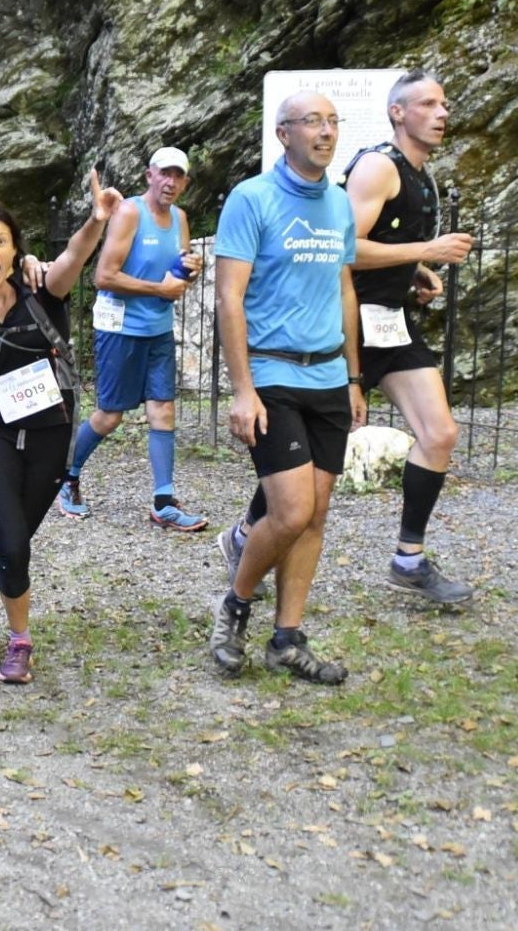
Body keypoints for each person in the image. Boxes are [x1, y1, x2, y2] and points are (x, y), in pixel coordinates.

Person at [207, 93, 365, 685]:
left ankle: (287, 638)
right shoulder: (252, 199)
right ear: (283, 133)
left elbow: (343, 288)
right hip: (273, 374)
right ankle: (235, 606)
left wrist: (353, 376)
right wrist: (242, 389)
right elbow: (229, 297)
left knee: (315, 515)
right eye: (312, 123)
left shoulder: (340, 202)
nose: (325, 133)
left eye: (331, 122)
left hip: (327, 374)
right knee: (291, 509)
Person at [0, 178, 111, 683]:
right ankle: (20, 641)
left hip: (51, 434)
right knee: (13, 542)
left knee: (14, 542)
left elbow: (75, 256)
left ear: (15, 247)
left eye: (0, 241)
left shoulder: (42, 287)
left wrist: (96, 219)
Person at [345, 72, 475, 604]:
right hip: (342, 323)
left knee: (439, 433)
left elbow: (385, 244)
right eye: (427, 104)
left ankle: (409, 560)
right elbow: (343, 249)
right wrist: (427, 250)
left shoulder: (424, 177)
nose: (441, 113)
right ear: (398, 113)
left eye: (444, 104)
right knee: (311, 460)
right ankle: (247, 537)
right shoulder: (379, 166)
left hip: (391, 323)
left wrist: (415, 270)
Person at [57, 147, 207, 531]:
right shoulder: (130, 213)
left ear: (185, 182)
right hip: (120, 328)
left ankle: (163, 502)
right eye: (164, 174)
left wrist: (190, 271)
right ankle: (66, 477)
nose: (171, 182)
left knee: (163, 411)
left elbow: (179, 271)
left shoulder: (181, 219)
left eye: (178, 176)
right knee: (109, 416)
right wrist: (159, 290)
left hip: (157, 330)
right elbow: (104, 276)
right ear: (149, 176)